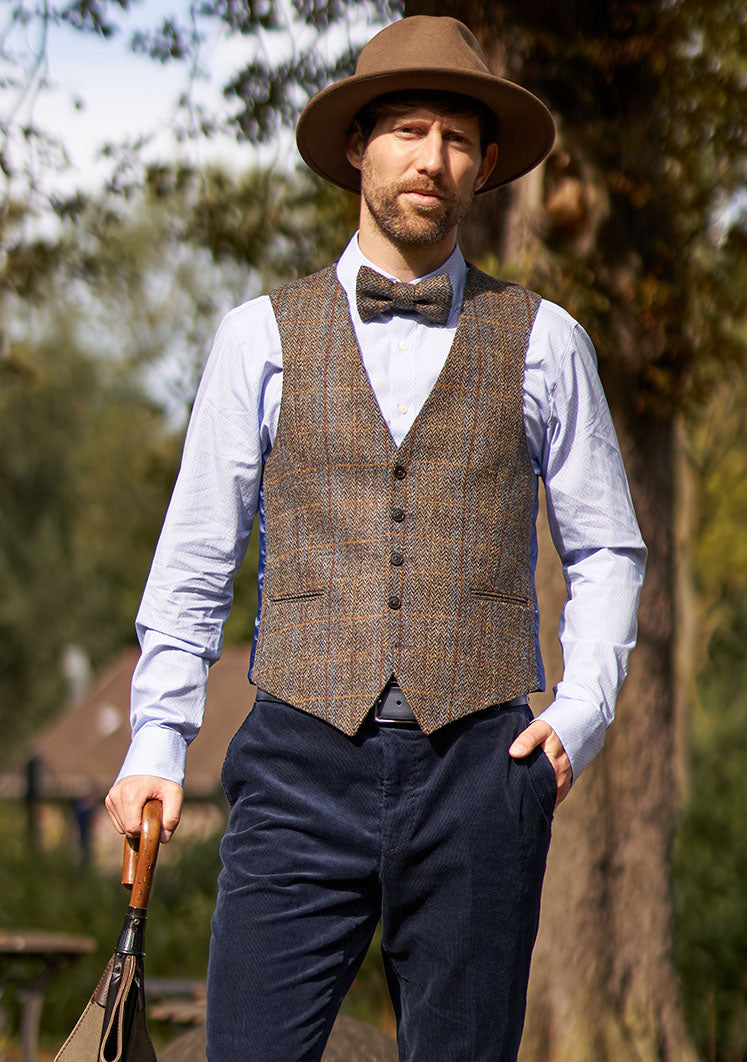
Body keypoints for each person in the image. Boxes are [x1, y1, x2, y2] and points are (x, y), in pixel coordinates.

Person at [106, 15, 646, 1062]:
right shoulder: (256, 338)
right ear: (359, 147)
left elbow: (608, 552)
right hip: (297, 765)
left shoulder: (549, 343)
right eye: (408, 129)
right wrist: (157, 739)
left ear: (486, 166)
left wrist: (579, 714)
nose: (431, 160)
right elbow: (196, 560)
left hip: (481, 771)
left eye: (456, 138)